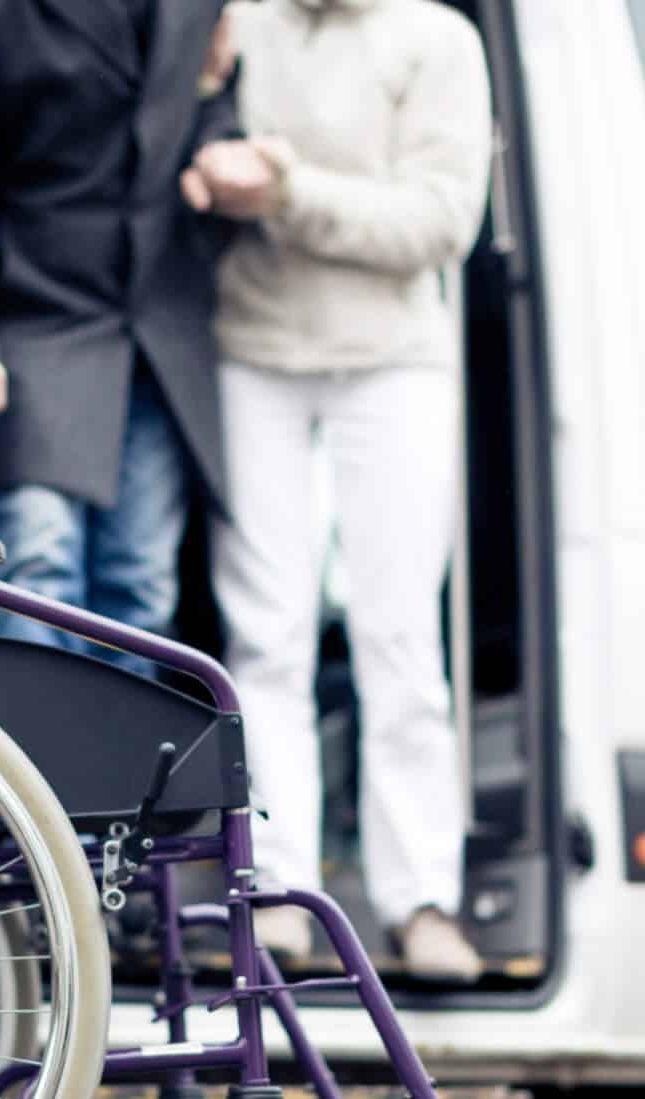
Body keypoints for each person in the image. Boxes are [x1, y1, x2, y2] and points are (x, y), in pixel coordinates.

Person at [188, 0, 494, 981]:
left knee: (398, 635)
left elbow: (441, 220)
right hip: (249, 352)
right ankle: (275, 888)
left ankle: (421, 902)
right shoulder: (233, 22)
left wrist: (285, 191)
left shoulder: (434, 38)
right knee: (262, 637)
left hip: (391, 363)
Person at [0, 0, 275, 668]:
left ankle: (114, 776)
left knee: (141, 591)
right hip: (33, 319)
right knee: (34, 568)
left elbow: (201, 117)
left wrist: (221, 146)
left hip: (159, 333)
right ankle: (28, 773)